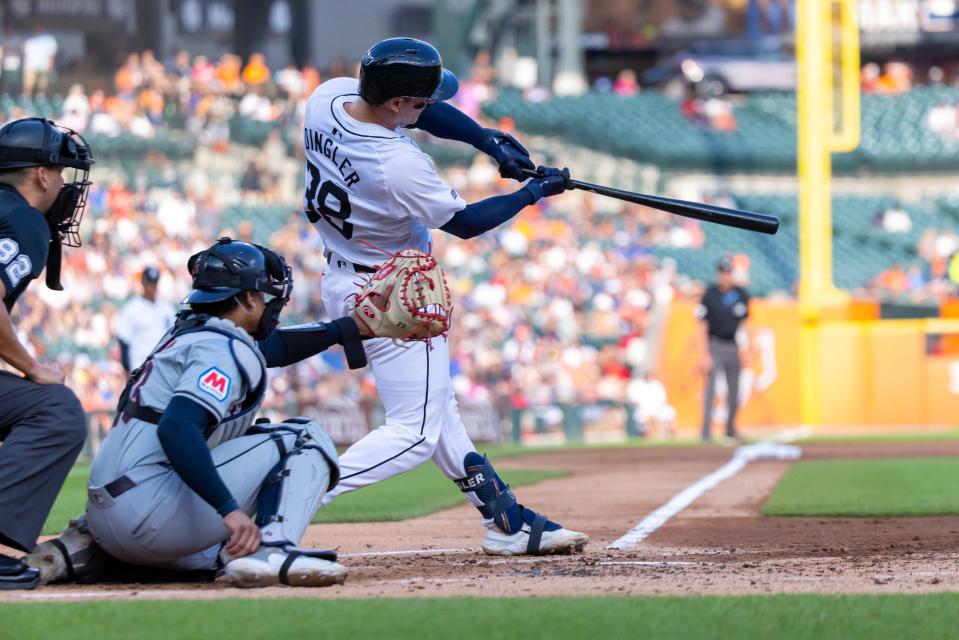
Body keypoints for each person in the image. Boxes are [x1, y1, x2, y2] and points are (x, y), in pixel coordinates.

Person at [301, 37, 589, 555]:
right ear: (396, 103)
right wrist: (533, 192)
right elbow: (467, 223)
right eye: (422, 100)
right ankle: (291, 495)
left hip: (349, 277)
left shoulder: (327, 98)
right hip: (392, 293)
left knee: (439, 411)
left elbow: (422, 116)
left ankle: (506, 522)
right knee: (415, 433)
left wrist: (485, 140)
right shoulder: (394, 163)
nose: (431, 106)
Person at [27, 237, 380, 589]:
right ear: (247, 299)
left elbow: (273, 349)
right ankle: (275, 548)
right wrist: (229, 509)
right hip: (149, 517)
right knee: (302, 436)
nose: (271, 305)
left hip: (106, 519)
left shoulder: (189, 333)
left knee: (220, 538)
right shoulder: (223, 347)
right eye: (265, 296)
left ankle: (85, 550)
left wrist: (346, 329)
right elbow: (177, 429)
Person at [0, 117, 94, 589]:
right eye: (62, 173)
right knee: (55, 410)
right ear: (41, 174)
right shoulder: (23, 220)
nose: (65, 186)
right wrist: (31, 366)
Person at [697, 256, 750, 443]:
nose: (725, 277)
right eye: (722, 273)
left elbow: (745, 324)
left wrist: (746, 348)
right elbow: (702, 325)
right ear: (718, 274)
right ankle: (705, 432)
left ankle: (731, 429)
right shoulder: (710, 294)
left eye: (728, 273)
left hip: (733, 345)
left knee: (734, 390)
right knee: (710, 390)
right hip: (714, 344)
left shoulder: (741, 294)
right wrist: (704, 354)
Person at [115, 266, 175, 373]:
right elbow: (124, 341)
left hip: (162, 366)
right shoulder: (132, 308)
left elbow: (173, 337)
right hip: (139, 367)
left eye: (154, 283)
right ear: (143, 283)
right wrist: (127, 370)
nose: (151, 287)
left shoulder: (166, 308)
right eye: (149, 283)